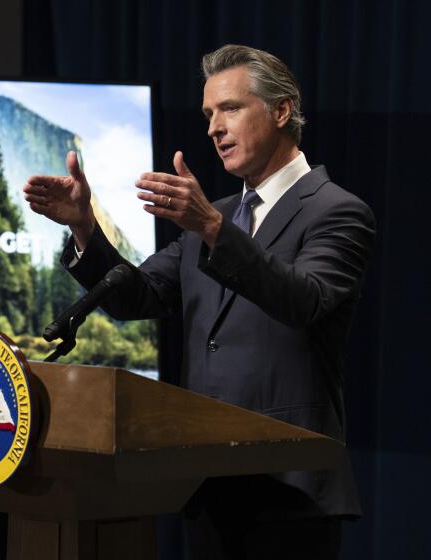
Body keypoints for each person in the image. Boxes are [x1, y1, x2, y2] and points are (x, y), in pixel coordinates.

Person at [23, 44, 375, 560]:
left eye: (230, 109)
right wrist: (83, 226)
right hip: (207, 486)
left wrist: (211, 227)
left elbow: (306, 299)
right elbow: (134, 295)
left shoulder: (336, 211)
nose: (213, 128)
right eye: (209, 114)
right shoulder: (218, 218)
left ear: (281, 110)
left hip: (291, 490)